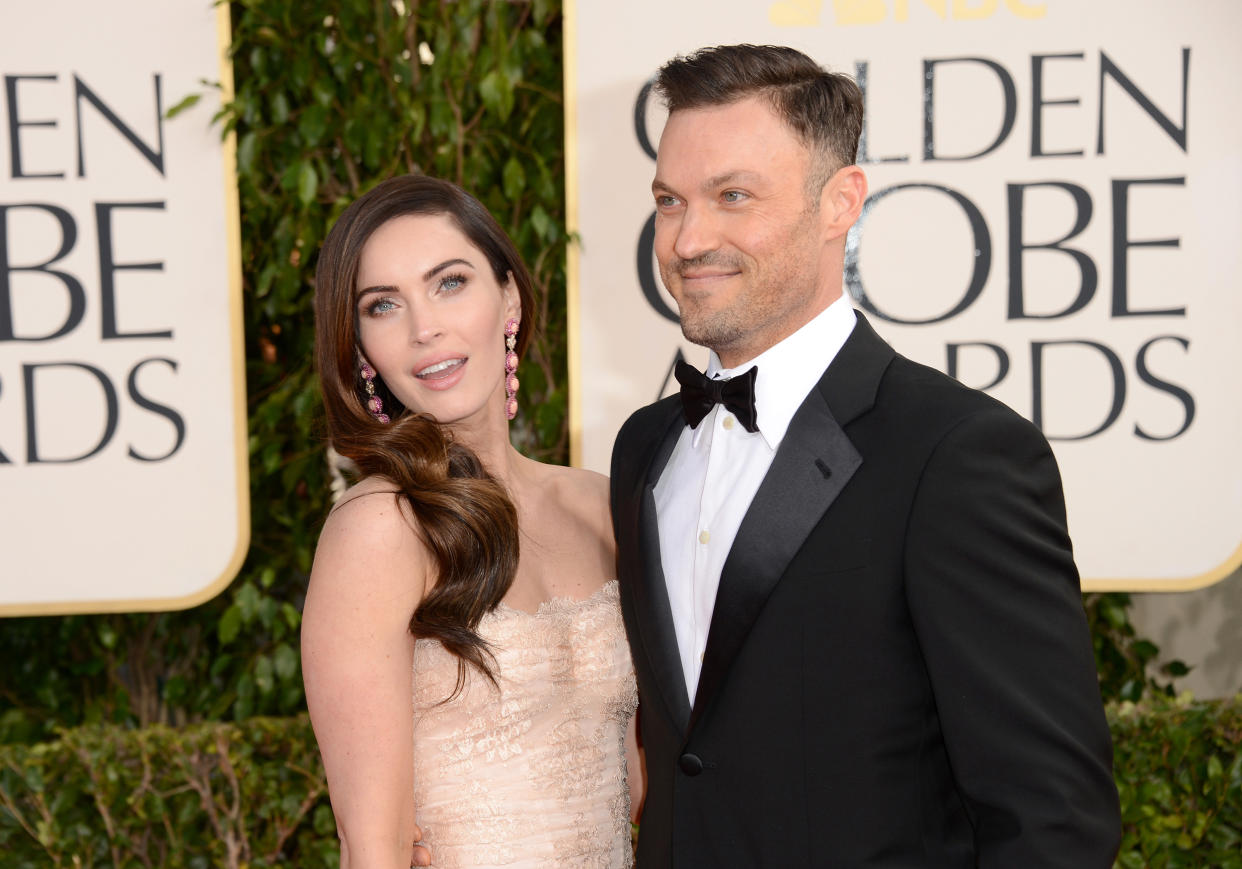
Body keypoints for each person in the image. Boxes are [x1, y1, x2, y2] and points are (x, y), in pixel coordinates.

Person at [609, 44, 1121, 867]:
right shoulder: (645, 448)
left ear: (840, 202)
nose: (687, 237)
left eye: (732, 195)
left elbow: (1053, 819)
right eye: (670, 200)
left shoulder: (957, 456)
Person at [302, 175, 640, 869]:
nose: (424, 327)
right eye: (383, 305)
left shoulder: (601, 506)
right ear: (361, 347)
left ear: (508, 294)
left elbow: (639, 782)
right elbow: (374, 845)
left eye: (449, 282)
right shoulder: (380, 527)